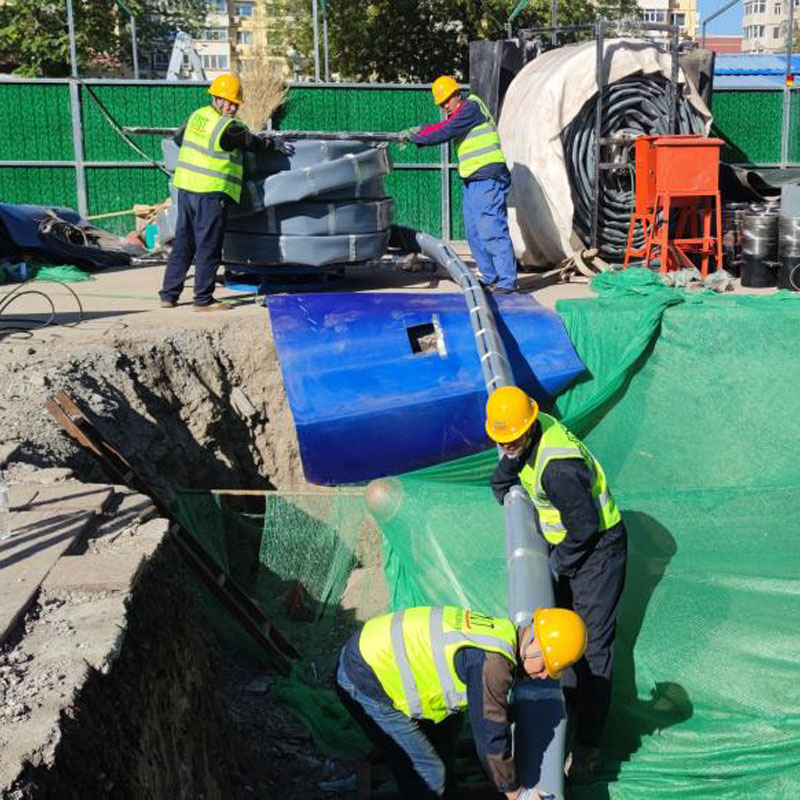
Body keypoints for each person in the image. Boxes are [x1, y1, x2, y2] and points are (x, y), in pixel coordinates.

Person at [485, 386, 628, 782]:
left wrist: (556, 566)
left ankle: (588, 745)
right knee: (559, 635)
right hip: (569, 544)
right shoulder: (526, 436)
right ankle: (563, 706)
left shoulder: (558, 467)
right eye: (501, 442)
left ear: (530, 426)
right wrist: (503, 480)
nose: (508, 446)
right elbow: (515, 459)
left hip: (597, 550)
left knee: (593, 648)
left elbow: (584, 528)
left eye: (513, 439)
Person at [336, 604, 587, 798]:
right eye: (546, 666)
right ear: (533, 644)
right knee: (429, 776)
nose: (543, 675)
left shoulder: (503, 631)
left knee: (449, 730)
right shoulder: (494, 665)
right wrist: (518, 793)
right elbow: (491, 740)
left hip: (373, 649)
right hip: (366, 679)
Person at [159, 74, 290, 311]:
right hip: (210, 193)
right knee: (208, 246)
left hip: (186, 188)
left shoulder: (197, 116)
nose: (231, 107)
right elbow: (253, 144)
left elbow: (179, 139)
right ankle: (203, 300)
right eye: (227, 102)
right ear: (216, 99)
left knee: (184, 243)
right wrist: (275, 145)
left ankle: (169, 295)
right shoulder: (229, 127)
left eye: (234, 103)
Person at [399, 75, 518, 293]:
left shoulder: (471, 107)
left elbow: (446, 130)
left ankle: (507, 281)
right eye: (441, 103)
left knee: (490, 229)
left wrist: (417, 137)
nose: (445, 106)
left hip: (488, 177)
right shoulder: (460, 114)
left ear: (457, 94)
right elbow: (442, 126)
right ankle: (490, 276)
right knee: (474, 231)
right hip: (473, 180)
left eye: (447, 100)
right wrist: (421, 129)